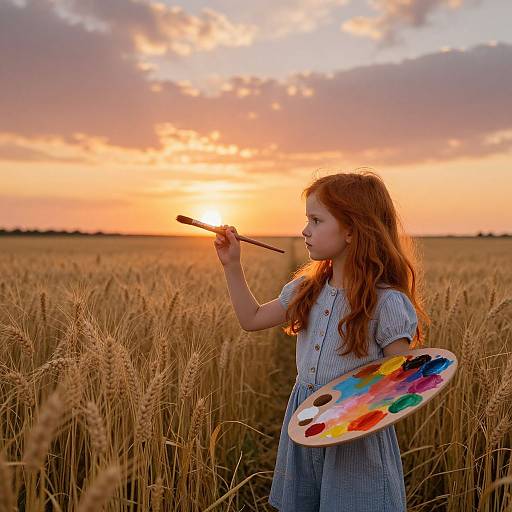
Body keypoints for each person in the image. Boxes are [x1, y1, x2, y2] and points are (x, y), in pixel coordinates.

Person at [213, 169, 430, 512]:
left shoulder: (386, 302)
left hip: (355, 438)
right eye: (307, 220)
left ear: (351, 230)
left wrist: (352, 417)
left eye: (316, 220)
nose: (305, 230)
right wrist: (231, 265)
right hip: (306, 422)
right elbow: (251, 318)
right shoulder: (306, 289)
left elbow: (399, 384)